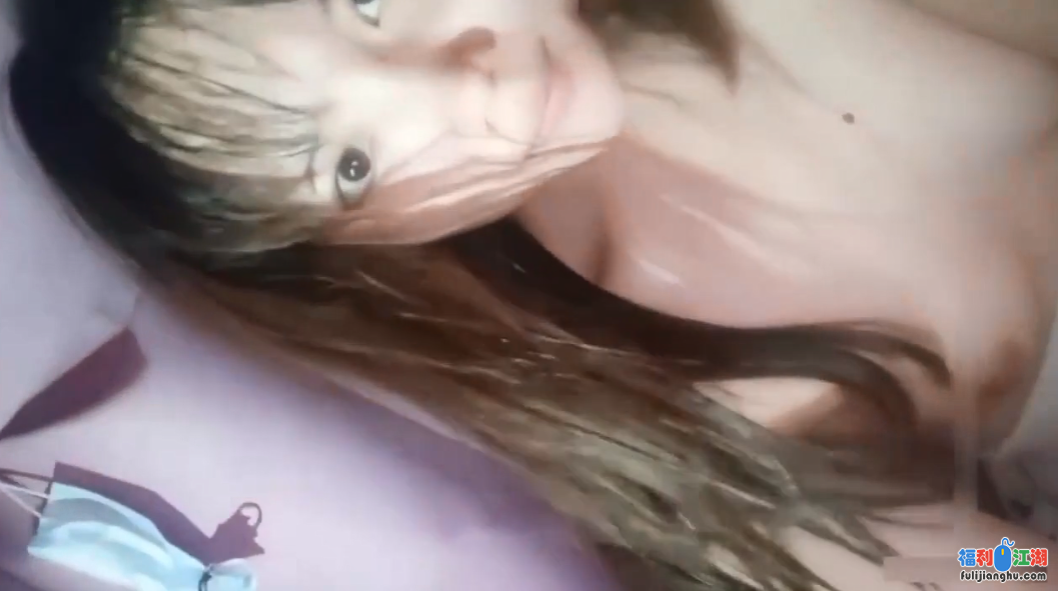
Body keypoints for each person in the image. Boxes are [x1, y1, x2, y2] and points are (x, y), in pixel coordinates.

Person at [5, 0, 1056, 589]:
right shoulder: (639, 405)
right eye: (350, 165)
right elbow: (996, 568)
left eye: (365, 3)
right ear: (336, 242)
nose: (459, 83)